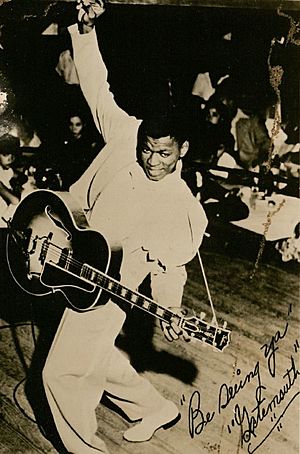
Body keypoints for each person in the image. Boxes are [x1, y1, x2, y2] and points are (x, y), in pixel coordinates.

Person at [41, 2, 208, 454]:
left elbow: (171, 269)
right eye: (148, 150)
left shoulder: (182, 207)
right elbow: (96, 87)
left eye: (164, 154)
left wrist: (170, 310)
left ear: (184, 150)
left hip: (111, 284)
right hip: (76, 254)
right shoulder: (126, 135)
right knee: (96, 356)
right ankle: (153, 409)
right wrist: (86, 30)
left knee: (61, 371)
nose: (153, 162)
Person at [0, 133, 20, 226]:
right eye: (5, 154)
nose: (10, 159)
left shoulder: (8, 171)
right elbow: (15, 201)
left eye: (13, 155)